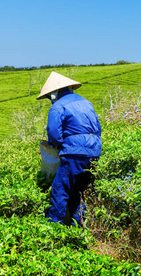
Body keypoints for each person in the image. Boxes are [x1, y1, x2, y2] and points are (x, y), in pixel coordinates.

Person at [37, 71, 102, 226]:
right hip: (94, 150)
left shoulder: (58, 106)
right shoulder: (86, 102)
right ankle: (79, 228)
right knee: (77, 191)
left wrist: (56, 145)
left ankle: (53, 229)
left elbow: (54, 134)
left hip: (74, 151)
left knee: (60, 190)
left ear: (53, 94)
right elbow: (98, 128)